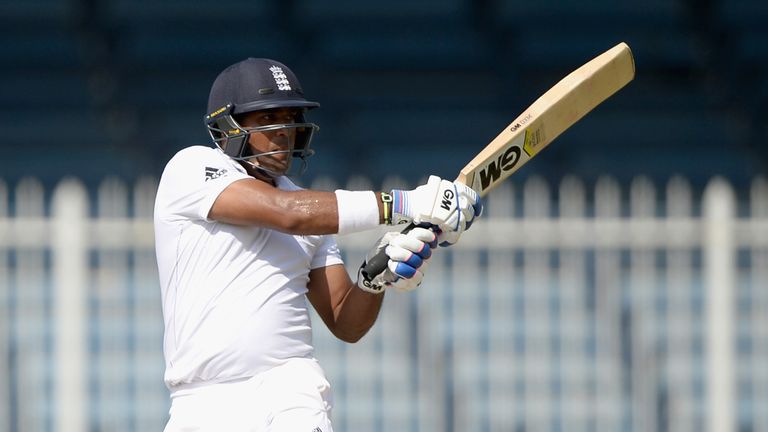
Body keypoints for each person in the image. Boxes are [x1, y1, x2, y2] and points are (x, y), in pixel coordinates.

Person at [153, 57, 482, 432]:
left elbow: (346, 321)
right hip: (199, 404)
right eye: (266, 119)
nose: (284, 131)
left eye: (291, 118)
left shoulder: (310, 210)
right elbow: (288, 214)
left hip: (287, 390)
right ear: (227, 127)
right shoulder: (192, 168)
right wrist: (405, 204)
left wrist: (377, 277)